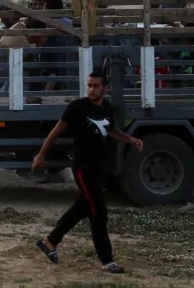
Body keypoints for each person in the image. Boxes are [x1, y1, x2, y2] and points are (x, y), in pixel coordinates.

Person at [32, 70, 143, 275]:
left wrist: (131, 139)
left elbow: (110, 130)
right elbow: (55, 132)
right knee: (98, 212)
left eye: (96, 86)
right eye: (89, 85)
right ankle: (107, 260)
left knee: (83, 206)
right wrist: (41, 155)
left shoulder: (107, 108)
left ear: (104, 88)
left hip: (100, 167)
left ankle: (50, 242)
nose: (92, 89)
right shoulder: (77, 107)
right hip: (82, 168)